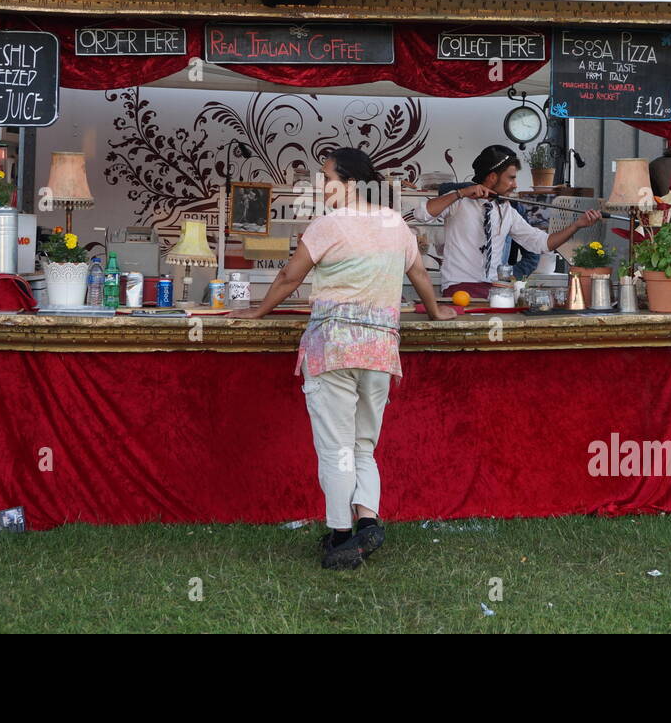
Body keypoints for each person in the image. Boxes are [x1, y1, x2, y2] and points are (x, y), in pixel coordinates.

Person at [231, 147, 456, 570]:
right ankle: (367, 521)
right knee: (364, 446)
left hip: (333, 349)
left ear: (350, 183)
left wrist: (256, 311)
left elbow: (289, 277)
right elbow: (420, 276)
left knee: (336, 449)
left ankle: (339, 537)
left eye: (327, 177)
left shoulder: (327, 226)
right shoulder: (396, 224)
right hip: (379, 350)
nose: (322, 185)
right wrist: (436, 311)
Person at [425, 145, 603, 298]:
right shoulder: (458, 202)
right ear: (493, 177)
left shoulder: (508, 210)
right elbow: (422, 213)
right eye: (511, 178)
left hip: (494, 290)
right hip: (458, 289)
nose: (516, 185)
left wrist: (577, 225)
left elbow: (542, 243)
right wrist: (460, 193)